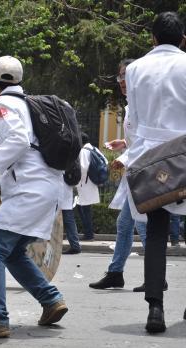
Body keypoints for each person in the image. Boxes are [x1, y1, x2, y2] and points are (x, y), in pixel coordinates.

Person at [0, 56, 67, 340]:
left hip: (29, 190)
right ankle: (51, 300)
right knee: (14, 252)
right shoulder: (29, 103)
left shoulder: (2, 104)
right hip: (45, 188)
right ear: (19, 80)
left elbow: (18, 140)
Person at [124, 11, 186, 332]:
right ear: (183, 39)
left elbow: (131, 120)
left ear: (153, 38)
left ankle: (155, 309)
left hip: (151, 156)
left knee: (156, 233)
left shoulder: (134, 69)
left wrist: (136, 154)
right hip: (185, 153)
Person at [89, 58, 149, 291]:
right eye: (120, 76)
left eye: (126, 75)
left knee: (142, 226)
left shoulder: (142, 104)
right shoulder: (131, 105)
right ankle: (116, 273)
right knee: (125, 223)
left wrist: (123, 158)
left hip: (143, 171)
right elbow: (137, 138)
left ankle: (156, 276)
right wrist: (124, 143)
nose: (122, 81)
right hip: (136, 171)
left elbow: (147, 141)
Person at [75, 133, 106, 241]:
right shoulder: (94, 149)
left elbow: (83, 167)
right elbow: (105, 162)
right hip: (91, 183)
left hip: (85, 183)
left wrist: (78, 181)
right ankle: (88, 233)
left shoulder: (84, 151)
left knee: (85, 209)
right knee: (83, 208)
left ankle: (89, 234)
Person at [61, 176, 81, 255]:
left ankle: (75, 245)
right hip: (66, 190)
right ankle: (75, 245)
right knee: (69, 220)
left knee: (68, 220)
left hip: (61, 189)